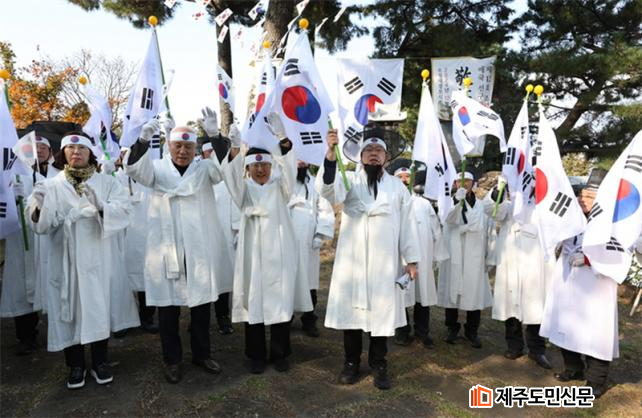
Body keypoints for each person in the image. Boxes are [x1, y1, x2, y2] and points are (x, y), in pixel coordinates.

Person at [125, 110, 233, 384]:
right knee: (168, 309)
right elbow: (134, 169)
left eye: (188, 146)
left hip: (198, 248)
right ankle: (172, 360)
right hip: (166, 247)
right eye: (177, 146)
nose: (183, 151)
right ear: (169, 146)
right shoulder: (157, 169)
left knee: (201, 306)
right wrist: (142, 140)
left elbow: (224, 169)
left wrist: (215, 136)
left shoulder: (203, 169)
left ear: (195, 148)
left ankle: (202, 354)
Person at [26, 132, 135, 389]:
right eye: (70, 149)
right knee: (68, 311)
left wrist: (102, 208)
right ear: (63, 154)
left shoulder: (107, 183)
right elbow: (40, 226)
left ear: (90, 154)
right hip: (64, 257)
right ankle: (75, 365)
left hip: (98, 256)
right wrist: (39, 205)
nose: (76, 153)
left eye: (81, 149)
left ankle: (100, 362)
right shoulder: (50, 185)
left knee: (98, 306)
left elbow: (125, 211)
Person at [317, 126, 419, 390]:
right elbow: (328, 191)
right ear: (360, 156)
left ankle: (379, 364)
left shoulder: (397, 188)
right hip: (354, 260)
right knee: (352, 313)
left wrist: (411, 259)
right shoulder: (349, 179)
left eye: (378, 150)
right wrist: (331, 155)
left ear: (386, 157)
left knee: (381, 313)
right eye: (369, 150)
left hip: (385, 263)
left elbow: (408, 225)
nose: (374, 154)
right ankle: (351, 362)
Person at [218, 112, 312, 374]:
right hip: (252, 253)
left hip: (279, 251)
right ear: (248, 168)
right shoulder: (244, 191)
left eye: (264, 166)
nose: (260, 170)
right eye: (255, 166)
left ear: (271, 167)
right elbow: (231, 178)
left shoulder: (281, 188)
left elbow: (289, 169)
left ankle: (280, 353)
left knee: (280, 300)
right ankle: (255, 355)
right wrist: (235, 148)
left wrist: (283, 139)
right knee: (254, 301)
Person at [540, 172, 620, 398]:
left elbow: (618, 251)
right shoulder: (572, 217)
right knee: (567, 325)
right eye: (582, 195)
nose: (583, 200)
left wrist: (588, 259)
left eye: (590, 197)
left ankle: (596, 380)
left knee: (596, 333)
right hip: (568, 280)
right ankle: (573, 367)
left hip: (596, 285)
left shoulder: (612, 222)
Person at [484, 175, 553, 369]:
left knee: (535, 305)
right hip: (512, 257)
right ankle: (514, 346)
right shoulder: (511, 199)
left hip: (535, 260)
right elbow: (492, 210)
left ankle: (537, 349)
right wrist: (498, 191)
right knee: (511, 302)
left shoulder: (545, 200)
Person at [437, 172, 493, 348]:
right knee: (453, 291)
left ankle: (472, 330)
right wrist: (456, 201)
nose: (464, 183)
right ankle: (452, 327)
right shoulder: (448, 203)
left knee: (473, 292)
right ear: (455, 183)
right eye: (460, 181)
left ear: (473, 182)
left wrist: (490, 256)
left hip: (475, 255)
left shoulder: (482, 206)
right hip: (455, 252)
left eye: (467, 180)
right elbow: (449, 220)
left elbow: (490, 231)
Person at [393, 167, 441, 349]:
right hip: (399, 257)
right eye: (400, 177)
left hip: (422, 257)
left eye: (407, 176)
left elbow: (436, 231)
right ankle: (402, 331)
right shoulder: (390, 201)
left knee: (422, 295)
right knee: (401, 294)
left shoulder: (423, 204)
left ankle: (422, 333)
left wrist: (436, 256)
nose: (404, 180)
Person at [114, 149, 158, 333]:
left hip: (146, 234)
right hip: (122, 235)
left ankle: (147, 317)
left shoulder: (149, 176)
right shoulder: (114, 177)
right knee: (121, 278)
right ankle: (122, 321)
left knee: (146, 276)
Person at [290, 160, 335, 337]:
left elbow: (325, 210)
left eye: (304, 160)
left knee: (309, 281)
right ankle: (286, 318)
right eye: (297, 158)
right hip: (287, 237)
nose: (300, 163)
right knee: (288, 279)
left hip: (308, 240)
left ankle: (309, 319)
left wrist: (320, 234)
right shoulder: (281, 179)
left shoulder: (316, 183)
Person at [203, 140, 237, 335]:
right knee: (202, 277)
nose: (211, 155)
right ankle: (199, 317)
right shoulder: (197, 176)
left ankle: (223, 316)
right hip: (203, 236)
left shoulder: (227, 179)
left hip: (224, 236)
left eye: (213, 151)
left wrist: (236, 231)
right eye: (208, 151)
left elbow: (237, 205)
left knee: (223, 278)